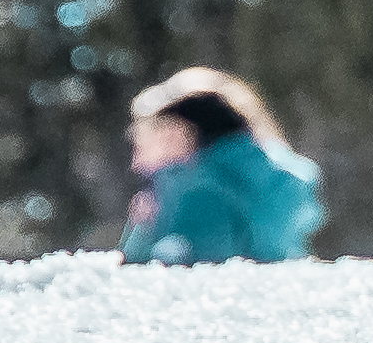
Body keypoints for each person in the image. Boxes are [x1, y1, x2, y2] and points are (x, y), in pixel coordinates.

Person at [118, 65, 321, 262]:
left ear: (177, 135)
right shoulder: (278, 180)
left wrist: (143, 232)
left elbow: (155, 271)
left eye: (141, 146)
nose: (137, 164)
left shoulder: (194, 190)